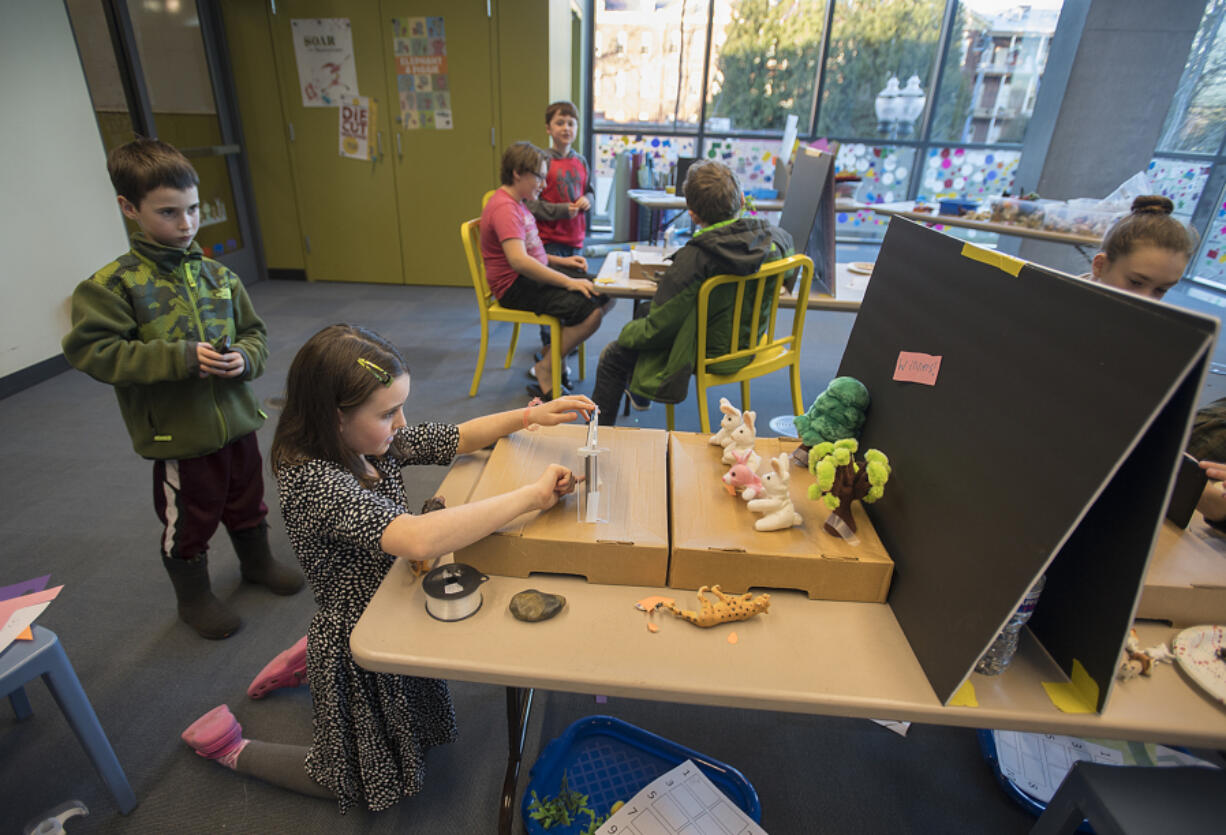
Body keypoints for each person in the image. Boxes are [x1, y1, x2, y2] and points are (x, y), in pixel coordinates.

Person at [180, 324, 592, 812]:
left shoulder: (370, 438)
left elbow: (454, 437)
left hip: (387, 592)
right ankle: (234, 750)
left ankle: (304, 656)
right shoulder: (313, 478)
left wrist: (529, 416)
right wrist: (532, 496)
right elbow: (416, 537)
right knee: (349, 777)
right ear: (335, 417)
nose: (401, 422)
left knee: (409, 709)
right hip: (356, 623)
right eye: (389, 412)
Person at [61, 138, 302, 640]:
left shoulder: (216, 274)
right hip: (179, 435)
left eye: (193, 209)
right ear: (129, 208)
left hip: (236, 420)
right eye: (168, 212)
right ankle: (193, 598)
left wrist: (245, 359)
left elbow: (254, 333)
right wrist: (179, 356)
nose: (187, 224)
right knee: (190, 517)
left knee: (246, 498)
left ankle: (256, 563)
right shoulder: (113, 285)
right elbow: (93, 352)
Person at [589, 159, 793, 425]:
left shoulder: (694, 259)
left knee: (613, 356)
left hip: (707, 350)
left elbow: (658, 330)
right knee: (644, 309)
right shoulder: (776, 240)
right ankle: (640, 390)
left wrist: (626, 334)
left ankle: (594, 441)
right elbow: (788, 278)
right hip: (749, 341)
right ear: (742, 200)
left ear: (693, 214)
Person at [1084, 195, 1226, 523]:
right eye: (1136, 283)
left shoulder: (1158, 351)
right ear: (1100, 265)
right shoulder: (1047, 317)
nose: (1149, 301)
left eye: (1161, 291)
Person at [481, 141, 612, 399]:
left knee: (607, 291)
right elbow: (519, 261)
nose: (543, 183)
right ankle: (546, 367)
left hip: (526, 276)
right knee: (591, 311)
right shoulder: (505, 208)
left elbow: (531, 253)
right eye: (539, 176)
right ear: (518, 173)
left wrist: (563, 263)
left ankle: (551, 355)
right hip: (514, 286)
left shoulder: (518, 203)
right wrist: (568, 281)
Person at [525, 100, 596, 386]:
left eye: (571, 123)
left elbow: (589, 189)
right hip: (549, 241)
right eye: (560, 123)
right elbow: (532, 203)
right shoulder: (543, 161)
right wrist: (560, 210)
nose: (566, 128)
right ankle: (549, 354)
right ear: (548, 128)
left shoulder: (580, 160)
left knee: (575, 296)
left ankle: (558, 352)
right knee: (555, 301)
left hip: (574, 238)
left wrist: (587, 200)